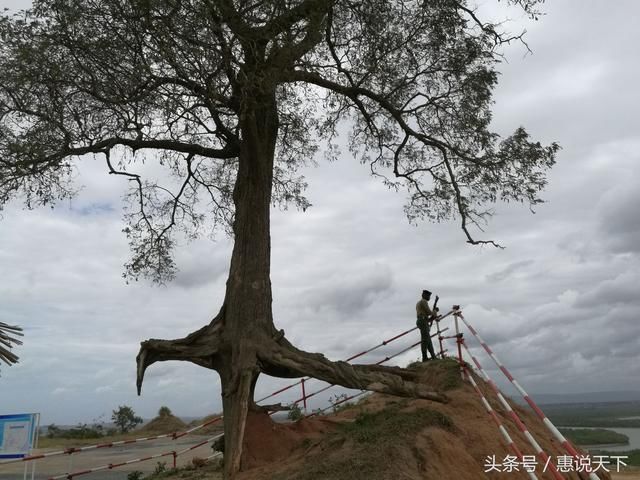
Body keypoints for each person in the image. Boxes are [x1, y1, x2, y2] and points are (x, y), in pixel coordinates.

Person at [416, 289, 439, 361]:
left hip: (423, 320)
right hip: (422, 321)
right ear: (424, 295)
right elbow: (429, 312)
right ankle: (424, 357)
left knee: (428, 340)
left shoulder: (420, 302)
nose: (429, 297)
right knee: (425, 340)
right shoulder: (423, 301)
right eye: (428, 295)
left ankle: (433, 356)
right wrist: (435, 311)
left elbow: (426, 314)